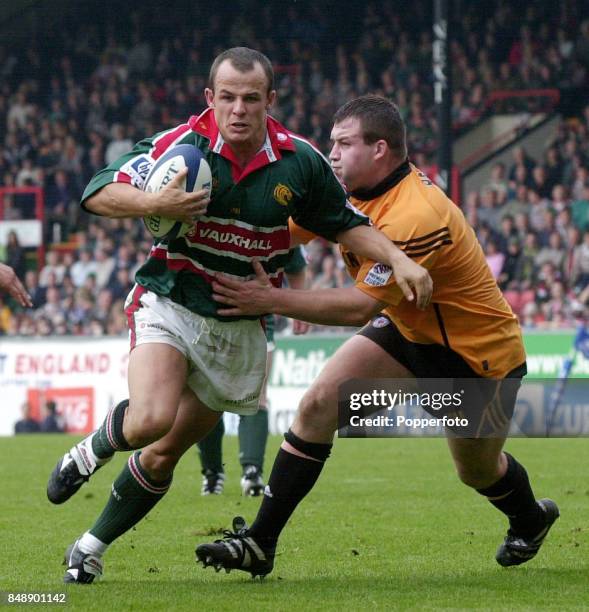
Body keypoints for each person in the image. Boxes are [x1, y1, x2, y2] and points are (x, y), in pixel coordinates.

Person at [45, 49, 432, 585]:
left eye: (252, 98)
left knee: (163, 454)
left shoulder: (300, 162)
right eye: (227, 97)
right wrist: (156, 203)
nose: (239, 109)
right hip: (171, 301)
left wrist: (397, 257)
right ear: (210, 99)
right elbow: (96, 193)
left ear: (270, 101)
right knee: (152, 417)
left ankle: (88, 548)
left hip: (238, 327)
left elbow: (345, 224)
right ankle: (91, 450)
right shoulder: (181, 148)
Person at [196, 95, 559, 578]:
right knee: (318, 404)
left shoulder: (416, 215)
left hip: (475, 360)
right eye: (331, 144)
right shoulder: (344, 191)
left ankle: (531, 519)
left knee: (476, 470)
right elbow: (285, 229)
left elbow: (359, 306)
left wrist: (270, 299)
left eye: (344, 144)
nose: (333, 155)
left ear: (380, 149)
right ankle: (260, 543)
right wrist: (212, 234)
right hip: (408, 334)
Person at [198, 247, 309, 497]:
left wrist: (301, 304)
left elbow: (296, 263)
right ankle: (212, 473)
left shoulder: (275, 216)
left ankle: (252, 473)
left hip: (257, 321)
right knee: (206, 400)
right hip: (204, 318)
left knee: (256, 395)